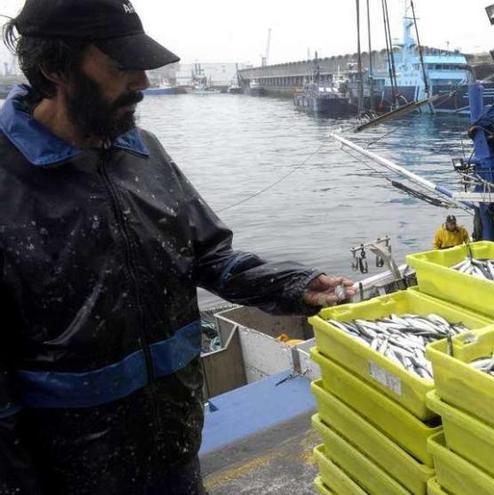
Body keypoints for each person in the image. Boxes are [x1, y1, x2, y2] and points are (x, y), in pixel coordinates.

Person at [0, 1, 354, 494]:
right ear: (55, 69)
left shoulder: (142, 150)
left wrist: (295, 286)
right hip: (70, 474)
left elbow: (209, 257)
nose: (142, 82)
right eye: (122, 67)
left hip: (175, 445)